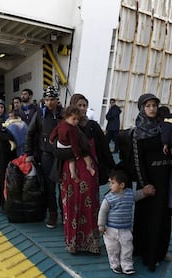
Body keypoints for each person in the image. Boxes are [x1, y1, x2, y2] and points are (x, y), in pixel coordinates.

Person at [117, 93, 172, 272]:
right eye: (148, 105)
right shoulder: (137, 132)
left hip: (165, 178)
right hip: (149, 181)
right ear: (142, 108)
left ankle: (161, 250)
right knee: (149, 218)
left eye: (154, 105)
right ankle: (148, 255)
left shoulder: (164, 127)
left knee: (163, 217)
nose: (151, 108)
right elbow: (137, 160)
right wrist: (145, 185)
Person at [58, 93, 115, 254]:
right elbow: (55, 149)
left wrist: (112, 169)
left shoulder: (93, 126)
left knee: (90, 206)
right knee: (71, 205)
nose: (82, 109)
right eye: (79, 105)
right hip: (70, 172)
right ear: (72, 107)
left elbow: (104, 149)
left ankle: (91, 243)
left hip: (89, 172)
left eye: (85, 105)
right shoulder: (65, 126)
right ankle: (73, 243)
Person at [98, 170, 156, 275]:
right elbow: (103, 211)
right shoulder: (108, 198)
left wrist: (145, 192)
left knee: (127, 248)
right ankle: (115, 264)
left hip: (125, 229)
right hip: (110, 229)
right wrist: (101, 225)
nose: (110, 185)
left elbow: (138, 195)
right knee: (112, 248)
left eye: (112, 183)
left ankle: (127, 265)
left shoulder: (129, 194)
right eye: (109, 183)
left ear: (122, 185)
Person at [25, 86, 63, 228]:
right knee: (49, 186)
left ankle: (65, 213)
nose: (49, 102)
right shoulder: (40, 114)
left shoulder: (63, 114)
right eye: (47, 100)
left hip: (62, 155)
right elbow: (30, 134)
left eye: (52, 99)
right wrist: (29, 153)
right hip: (47, 155)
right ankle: (53, 213)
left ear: (56, 100)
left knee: (63, 186)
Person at [49, 105, 95, 182]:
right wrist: (77, 154)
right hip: (67, 146)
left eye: (77, 119)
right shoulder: (72, 129)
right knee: (84, 152)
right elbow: (74, 143)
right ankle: (89, 166)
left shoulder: (61, 123)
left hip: (60, 145)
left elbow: (55, 131)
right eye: (74, 119)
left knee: (71, 159)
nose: (76, 121)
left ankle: (73, 173)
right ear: (66, 117)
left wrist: (51, 139)